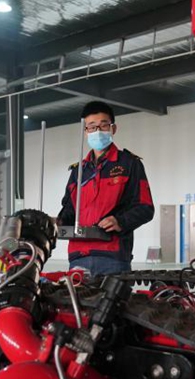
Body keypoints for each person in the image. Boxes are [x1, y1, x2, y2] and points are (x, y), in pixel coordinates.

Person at [57, 101, 154, 276]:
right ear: (85, 132)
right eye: (92, 127)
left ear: (113, 129)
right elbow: (69, 210)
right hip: (78, 257)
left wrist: (120, 221)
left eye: (103, 125)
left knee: (114, 304)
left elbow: (145, 208)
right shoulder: (78, 171)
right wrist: (58, 222)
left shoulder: (129, 164)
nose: (98, 131)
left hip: (113, 256)